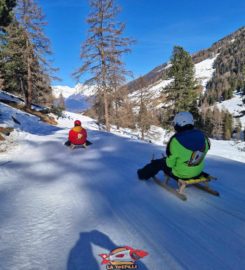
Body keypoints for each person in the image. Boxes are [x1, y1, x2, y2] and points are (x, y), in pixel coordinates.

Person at [137, 112, 210, 180]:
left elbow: (170, 164)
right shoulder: (204, 137)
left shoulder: (176, 140)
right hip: (197, 171)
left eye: (175, 123)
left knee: (157, 163)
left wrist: (165, 161)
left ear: (179, 123)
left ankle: (141, 175)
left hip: (181, 174)